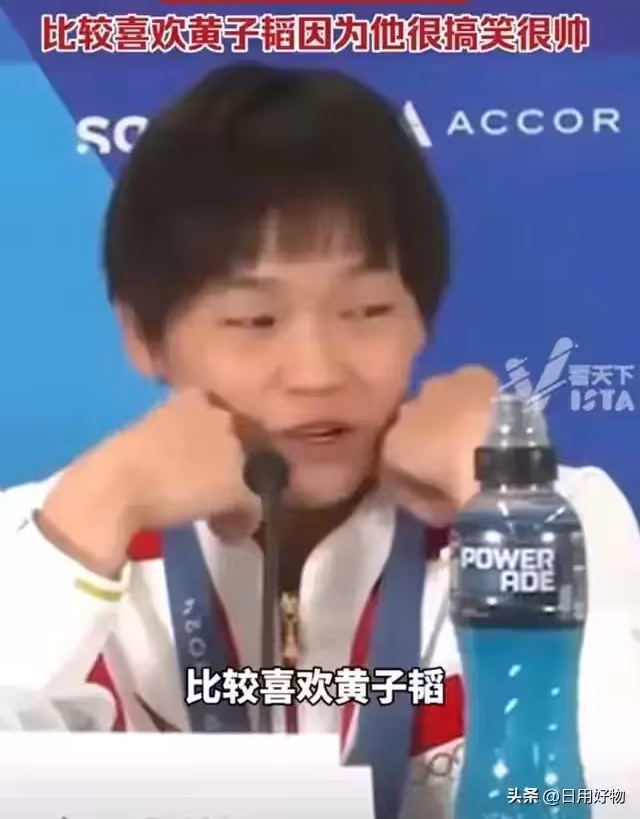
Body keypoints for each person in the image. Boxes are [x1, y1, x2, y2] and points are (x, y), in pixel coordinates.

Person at [0, 62, 638, 819]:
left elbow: (611, 794)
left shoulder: (556, 520)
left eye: (367, 311)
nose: (317, 372)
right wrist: (94, 516)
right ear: (144, 336)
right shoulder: (49, 537)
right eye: (255, 320)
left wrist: (508, 517)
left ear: (423, 319)